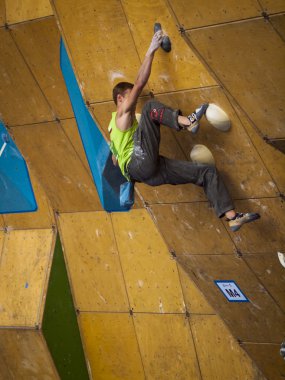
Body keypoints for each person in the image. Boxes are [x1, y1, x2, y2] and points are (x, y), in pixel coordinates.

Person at [108, 30, 260, 232]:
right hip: (141, 163)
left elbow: (115, 161)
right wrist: (151, 49)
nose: (133, 99)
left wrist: (122, 151)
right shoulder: (121, 113)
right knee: (149, 108)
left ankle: (232, 216)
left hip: (149, 174)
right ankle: (188, 122)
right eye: (129, 96)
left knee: (206, 172)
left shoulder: (114, 130)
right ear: (120, 99)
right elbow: (139, 83)